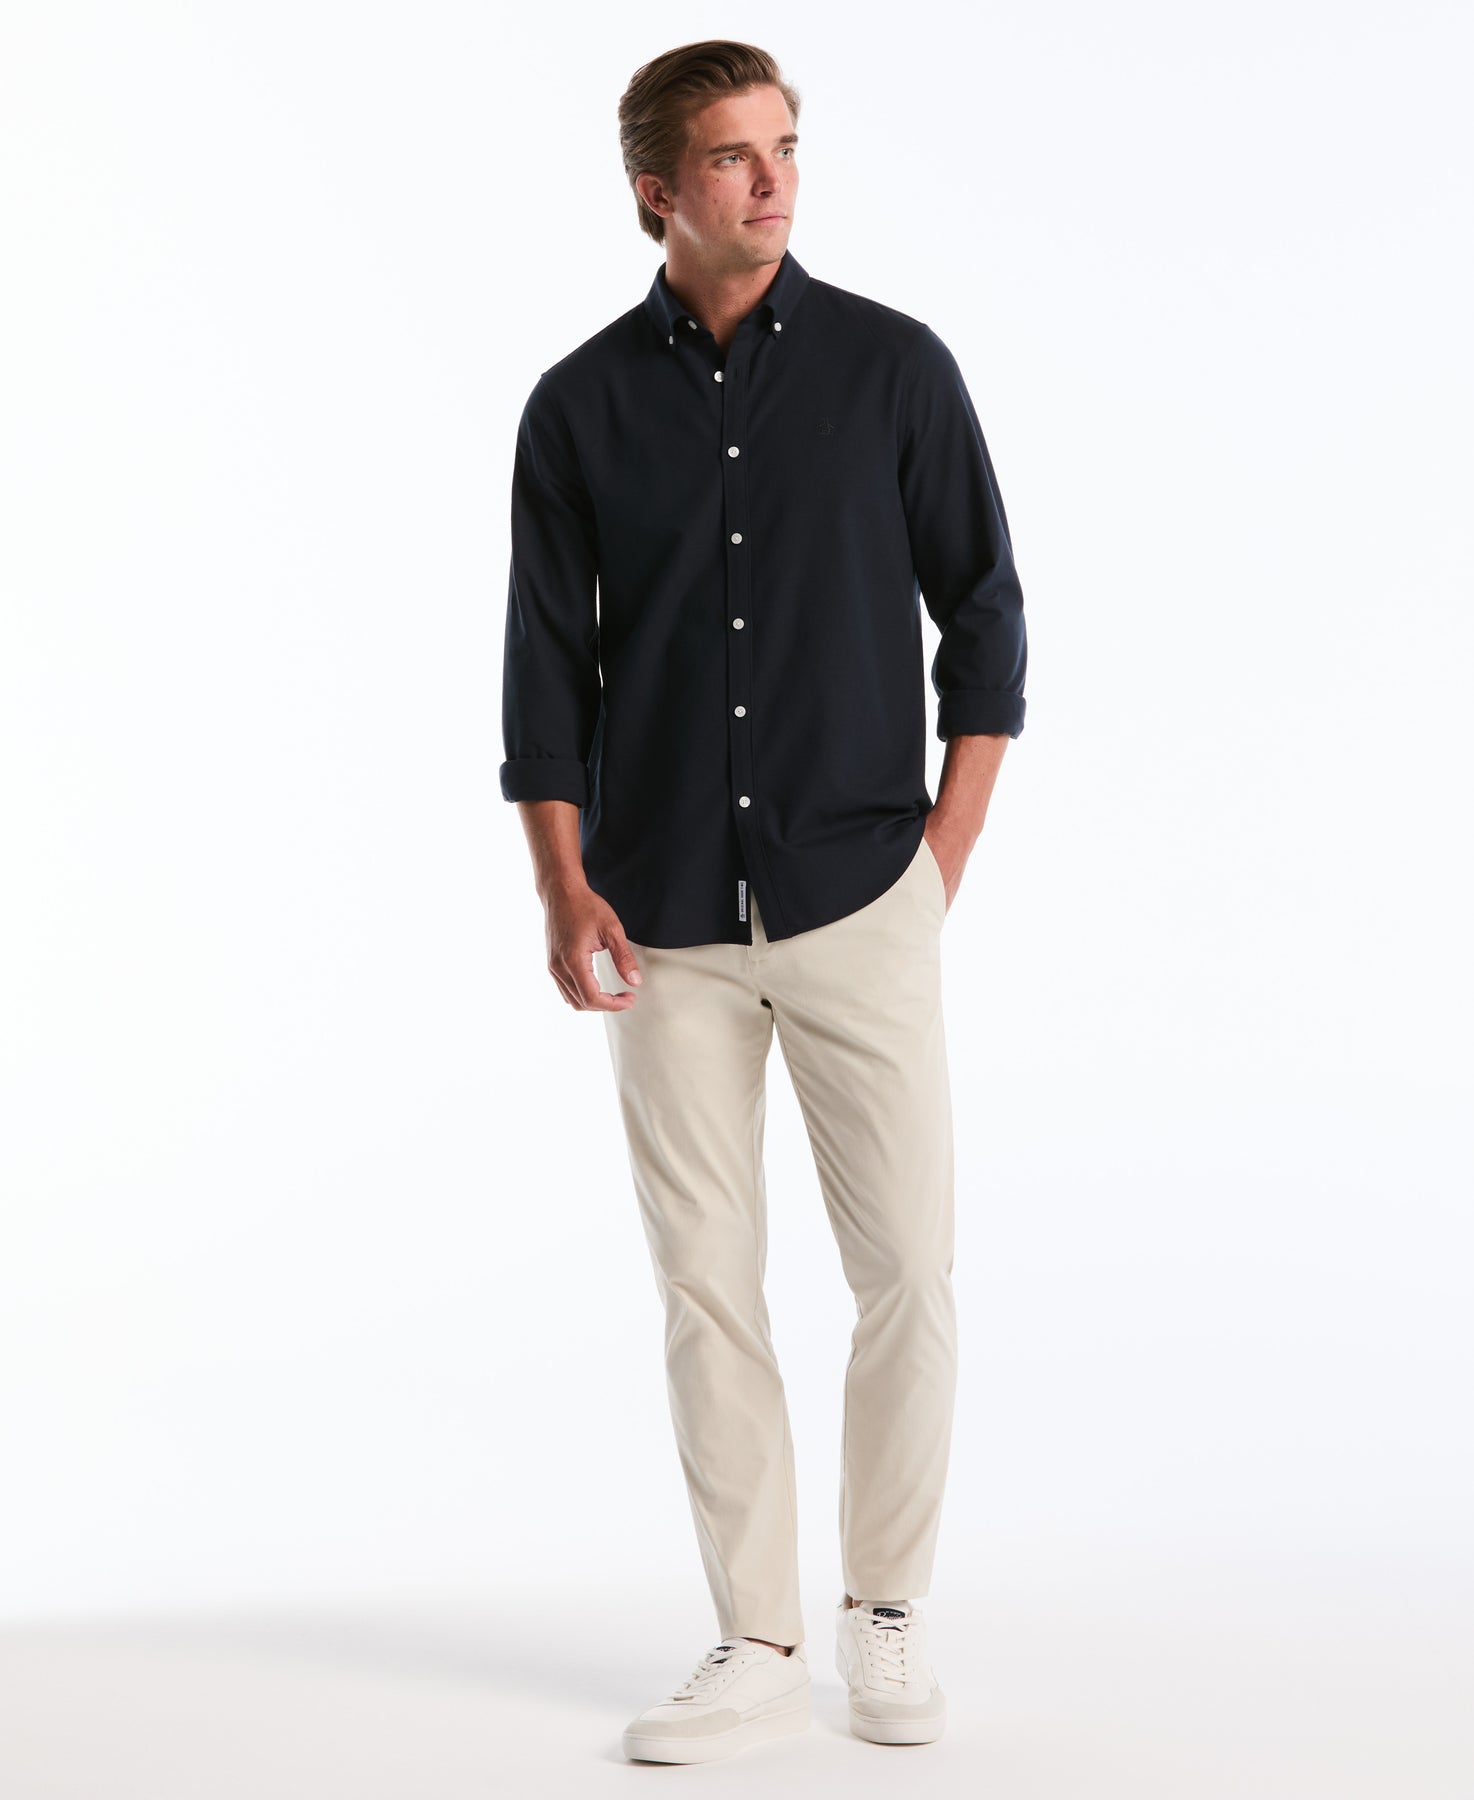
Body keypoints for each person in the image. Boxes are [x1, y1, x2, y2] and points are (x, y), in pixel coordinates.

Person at [499, 39, 1027, 1765]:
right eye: (733, 157)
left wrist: (936, 863)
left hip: (861, 889)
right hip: (659, 917)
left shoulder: (892, 370)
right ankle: (752, 1635)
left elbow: (987, 620)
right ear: (656, 190)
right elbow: (544, 671)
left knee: (909, 1273)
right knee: (706, 1287)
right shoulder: (577, 408)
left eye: (785, 146)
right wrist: (562, 884)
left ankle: (884, 1609)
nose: (772, 179)